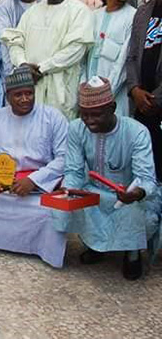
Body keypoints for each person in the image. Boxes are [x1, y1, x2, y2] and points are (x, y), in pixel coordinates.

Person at [0, 67, 69, 268]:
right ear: (8, 96)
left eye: (29, 93)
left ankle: (43, 250)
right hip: (5, 181)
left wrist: (33, 180)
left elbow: (63, 158)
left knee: (50, 208)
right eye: (18, 95)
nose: (25, 99)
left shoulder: (53, 117)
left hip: (39, 183)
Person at [54, 77, 160, 280]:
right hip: (95, 191)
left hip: (127, 196)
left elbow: (146, 179)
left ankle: (132, 252)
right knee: (68, 202)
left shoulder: (137, 132)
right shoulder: (77, 128)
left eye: (96, 115)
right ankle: (96, 246)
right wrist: (67, 190)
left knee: (134, 210)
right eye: (84, 115)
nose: (90, 121)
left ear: (112, 107)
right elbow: (74, 171)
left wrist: (135, 193)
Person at [2, 0, 94, 119]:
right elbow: (15, 42)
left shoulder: (80, 12)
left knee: (58, 134)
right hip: (31, 86)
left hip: (60, 87)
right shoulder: (33, 11)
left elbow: (75, 50)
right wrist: (23, 65)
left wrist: (42, 69)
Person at [126, 0, 162, 181]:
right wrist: (134, 90)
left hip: (156, 102)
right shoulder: (142, 12)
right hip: (142, 105)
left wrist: (157, 98)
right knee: (147, 169)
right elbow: (131, 56)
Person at [83, 0, 135, 117]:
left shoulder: (134, 16)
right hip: (87, 93)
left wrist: (104, 96)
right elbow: (84, 57)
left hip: (115, 97)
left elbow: (124, 62)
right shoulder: (94, 16)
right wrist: (84, 89)